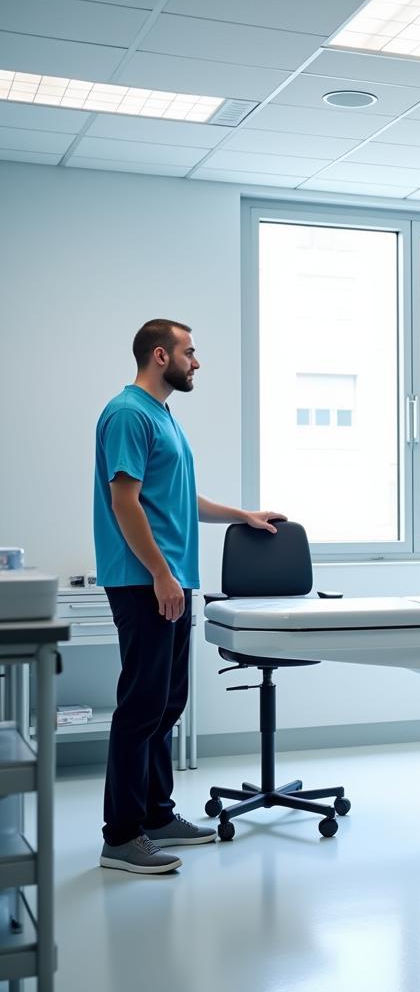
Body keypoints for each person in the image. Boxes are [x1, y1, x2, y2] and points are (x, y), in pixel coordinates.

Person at [94, 319, 284, 874]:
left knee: (167, 704)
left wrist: (240, 514)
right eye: (190, 352)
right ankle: (121, 836)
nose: (196, 362)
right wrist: (159, 573)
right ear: (161, 355)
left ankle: (155, 813)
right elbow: (124, 502)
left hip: (171, 578)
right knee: (140, 708)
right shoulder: (128, 413)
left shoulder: (162, 416)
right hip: (144, 580)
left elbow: (175, 495)